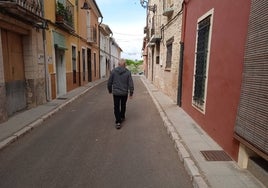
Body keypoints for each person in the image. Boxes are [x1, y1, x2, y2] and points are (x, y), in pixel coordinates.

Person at [107, 59, 134, 129]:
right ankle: (122, 116)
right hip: (124, 93)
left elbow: (109, 82)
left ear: (118, 64)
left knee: (116, 106)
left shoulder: (113, 71)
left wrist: (110, 90)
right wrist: (131, 93)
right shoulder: (128, 72)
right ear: (125, 65)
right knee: (123, 105)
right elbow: (131, 83)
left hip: (116, 93)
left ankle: (118, 122)